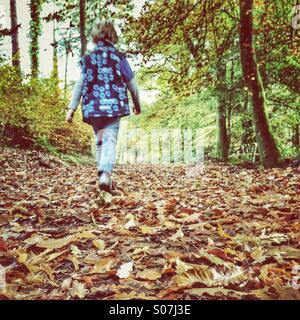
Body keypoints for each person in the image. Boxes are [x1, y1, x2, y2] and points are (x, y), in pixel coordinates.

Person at [66, 20, 142, 193]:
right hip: (113, 107)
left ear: (95, 38)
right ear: (113, 37)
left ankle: (102, 177)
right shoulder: (119, 58)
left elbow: (79, 84)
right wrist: (137, 104)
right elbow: (132, 85)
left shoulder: (89, 59)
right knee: (109, 139)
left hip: (93, 108)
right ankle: (105, 174)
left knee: (100, 141)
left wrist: (71, 109)